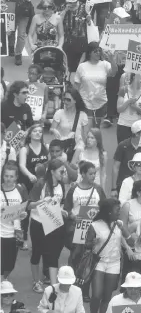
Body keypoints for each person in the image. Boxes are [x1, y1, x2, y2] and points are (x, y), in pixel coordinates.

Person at [85, 198, 132, 313]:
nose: (119, 212)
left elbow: (130, 240)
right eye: (117, 210)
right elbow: (87, 245)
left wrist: (122, 228)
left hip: (114, 263)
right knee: (96, 295)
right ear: (109, 211)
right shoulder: (95, 225)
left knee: (107, 297)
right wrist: (93, 243)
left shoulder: (119, 224)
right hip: (99, 262)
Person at [28, 159, 67, 291]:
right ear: (52, 171)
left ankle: (53, 285)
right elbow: (29, 205)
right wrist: (41, 202)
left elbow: (58, 203)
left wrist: (61, 211)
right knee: (37, 253)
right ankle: (36, 282)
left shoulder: (61, 185)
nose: (63, 173)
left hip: (53, 223)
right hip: (38, 223)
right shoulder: (41, 183)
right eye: (61, 171)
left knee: (53, 253)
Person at [74, 42, 118, 129]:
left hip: (101, 103)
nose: (98, 53)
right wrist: (76, 101)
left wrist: (112, 59)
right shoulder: (82, 66)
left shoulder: (105, 64)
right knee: (87, 128)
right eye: (95, 51)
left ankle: (96, 143)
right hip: (85, 102)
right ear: (90, 53)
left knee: (96, 130)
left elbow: (114, 72)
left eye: (99, 51)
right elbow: (76, 85)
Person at [2, 0, 36, 65]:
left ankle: (18, 54)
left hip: (24, 9)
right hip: (11, 9)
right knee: (11, 31)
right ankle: (11, 47)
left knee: (21, 34)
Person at [1, 162, 28, 280]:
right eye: (6, 176)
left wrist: (23, 215)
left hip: (14, 234)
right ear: (3, 176)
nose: (8, 179)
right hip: (1, 233)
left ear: (16, 177)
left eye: (11, 176)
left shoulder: (20, 190)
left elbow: (23, 208)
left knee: (10, 265)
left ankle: (3, 279)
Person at [111, 120, 141, 195]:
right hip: (123, 184)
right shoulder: (122, 146)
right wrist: (113, 188)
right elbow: (115, 167)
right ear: (136, 134)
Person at [50, 88, 87, 163]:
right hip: (62, 146)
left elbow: (85, 135)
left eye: (68, 99)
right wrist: (54, 130)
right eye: (64, 99)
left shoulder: (82, 115)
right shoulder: (59, 113)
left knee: (79, 150)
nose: (65, 102)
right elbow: (51, 130)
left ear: (75, 100)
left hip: (77, 147)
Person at [60, 0, 91, 76]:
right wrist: (65, 10)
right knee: (68, 62)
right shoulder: (63, 7)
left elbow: (89, 23)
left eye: (73, 2)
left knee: (79, 63)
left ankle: (77, 78)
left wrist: (89, 18)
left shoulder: (84, 7)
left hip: (81, 38)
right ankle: (68, 79)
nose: (71, 4)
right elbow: (58, 21)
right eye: (69, 2)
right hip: (67, 39)